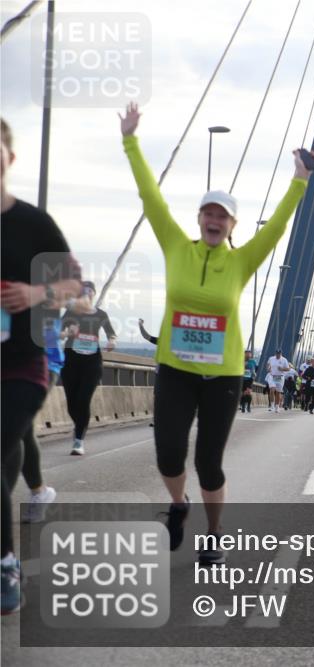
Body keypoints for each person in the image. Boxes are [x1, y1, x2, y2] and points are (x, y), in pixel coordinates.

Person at [119, 102, 314, 564]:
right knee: (168, 454)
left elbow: (283, 222)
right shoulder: (175, 247)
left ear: (231, 226)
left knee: (209, 463)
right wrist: (130, 139)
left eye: (222, 215)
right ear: (199, 219)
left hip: (223, 377)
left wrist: (300, 178)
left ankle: (214, 531)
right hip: (175, 370)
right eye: (207, 212)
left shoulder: (242, 260)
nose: (213, 218)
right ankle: (177, 504)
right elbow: (151, 196)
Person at [2, 117, 82, 614]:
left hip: (23, 364)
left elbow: (75, 286)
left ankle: (6, 564)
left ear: (10, 157)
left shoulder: (32, 223)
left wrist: (37, 291)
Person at [60, 280, 116, 455]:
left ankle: (78, 440)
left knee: (83, 400)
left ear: (94, 294)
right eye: (84, 290)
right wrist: (67, 333)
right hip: (71, 361)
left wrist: (112, 341)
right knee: (72, 404)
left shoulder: (101, 314)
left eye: (90, 290)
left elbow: (111, 333)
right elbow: (57, 332)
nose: (87, 293)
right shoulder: (70, 312)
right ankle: (80, 425)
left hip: (92, 363)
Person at [20, 313, 63, 523]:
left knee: (18, 424)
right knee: (18, 429)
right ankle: (39, 491)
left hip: (41, 362)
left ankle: (39, 491)